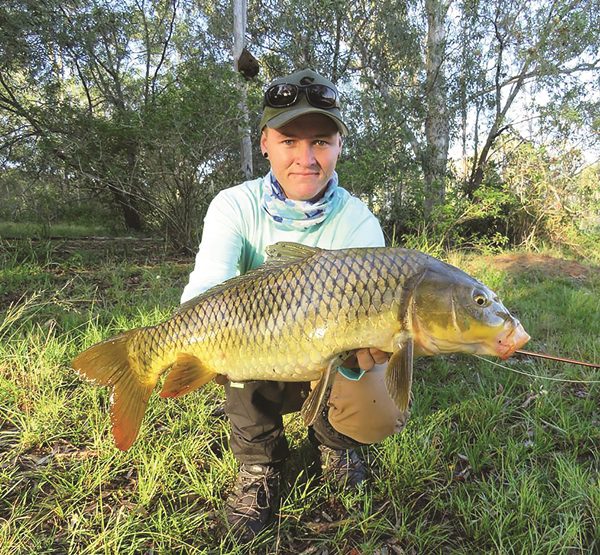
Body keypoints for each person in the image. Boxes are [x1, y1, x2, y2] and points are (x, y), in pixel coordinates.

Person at [182, 68, 408, 541]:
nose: (306, 158)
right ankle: (259, 465)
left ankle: (336, 443)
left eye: (321, 142)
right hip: (257, 344)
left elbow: (370, 331)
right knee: (238, 335)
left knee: (376, 390)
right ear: (265, 142)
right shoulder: (233, 206)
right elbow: (203, 293)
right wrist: (206, 346)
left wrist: (364, 356)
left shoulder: (358, 220)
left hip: (329, 354)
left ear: (339, 146)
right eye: (289, 141)